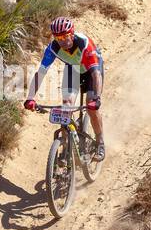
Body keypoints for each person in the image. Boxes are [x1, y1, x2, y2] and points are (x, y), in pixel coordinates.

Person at [23, 16, 105, 161]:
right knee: (66, 107)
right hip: (73, 70)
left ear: (72, 33)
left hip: (91, 70)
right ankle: (66, 148)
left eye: (65, 36)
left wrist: (97, 99)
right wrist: (30, 97)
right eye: (58, 37)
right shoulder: (52, 48)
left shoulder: (84, 43)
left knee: (92, 105)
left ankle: (100, 142)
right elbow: (40, 73)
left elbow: (96, 74)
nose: (62, 40)